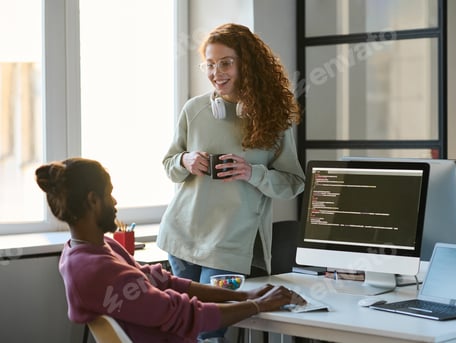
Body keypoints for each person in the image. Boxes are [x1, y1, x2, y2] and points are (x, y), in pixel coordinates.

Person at [35, 157, 305, 343]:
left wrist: (245, 294)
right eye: (109, 193)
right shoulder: (99, 271)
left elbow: (164, 281)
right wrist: (258, 305)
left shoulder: (88, 250)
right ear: (93, 200)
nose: (115, 202)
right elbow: (189, 315)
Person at [157, 24, 305, 332]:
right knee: (181, 331)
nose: (216, 72)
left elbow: (294, 183)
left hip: (228, 248)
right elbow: (169, 164)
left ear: (246, 64)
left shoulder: (274, 118)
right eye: (210, 64)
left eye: (226, 63)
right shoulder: (194, 109)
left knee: (209, 332)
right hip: (181, 238)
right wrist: (185, 160)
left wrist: (252, 172)